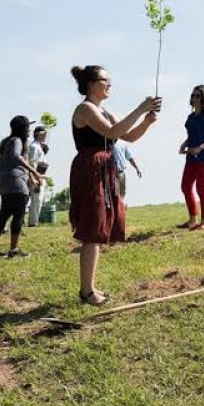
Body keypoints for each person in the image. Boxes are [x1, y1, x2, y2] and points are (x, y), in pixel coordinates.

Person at [69, 65, 161, 305]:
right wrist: (141, 108)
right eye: (105, 80)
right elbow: (112, 132)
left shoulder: (105, 111)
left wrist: (147, 121)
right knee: (92, 227)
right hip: (90, 168)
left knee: (98, 228)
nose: (110, 84)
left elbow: (127, 136)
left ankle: (89, 288)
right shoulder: (85, 109)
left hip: (104, 168)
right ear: (91, 84)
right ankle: (86, 291)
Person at [0, 115, 45, 258]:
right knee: (18, 216)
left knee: (3, 215)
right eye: (27, 127)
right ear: (22, 128)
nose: (29, 129)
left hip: (4, 181)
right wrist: (34, 171)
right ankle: (14, 249)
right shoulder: (17, 141)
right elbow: (16, 157)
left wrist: (31, 177)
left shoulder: (5, 141)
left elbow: (15, 161)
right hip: (17, 182)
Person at [178, 85, 204, 230]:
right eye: (193, 95)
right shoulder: (190, 118)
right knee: (185, 186)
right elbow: (192, 136)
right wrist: (184, 144)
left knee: (201, 187)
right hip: (192, 156)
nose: (194, 98)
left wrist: (200, 148)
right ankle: (192, 220)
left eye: (198, 96)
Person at [27, 125, 48, 227]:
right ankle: (33, 223)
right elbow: (32, 163)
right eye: (43, 134)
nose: (45, 136)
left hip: (40, 175)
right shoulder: (34, 147)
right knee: (36, 199)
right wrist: (36, 178)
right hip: (36, 176)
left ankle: (34, 221)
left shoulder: (39, 146)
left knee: (39, 199)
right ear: (38, 135)